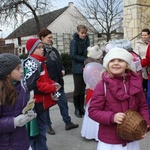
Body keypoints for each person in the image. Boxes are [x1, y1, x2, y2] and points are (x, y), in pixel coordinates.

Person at [89, 48, 149, 150]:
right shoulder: (102, 86)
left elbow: (142, 106)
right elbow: (93, 111)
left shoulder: (136, 83)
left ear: (127, 65)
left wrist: (145, 125)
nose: (116, 63)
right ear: (107, 65)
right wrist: (112, 117)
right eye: (112, 60)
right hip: (111, 141)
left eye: (120, 60)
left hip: (131, 138)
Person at [38, 28, 79, 135]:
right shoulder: (40, 51)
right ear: (42, 38)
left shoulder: (54, 50)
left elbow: (59, 62)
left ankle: (68, 122)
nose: (51, 39)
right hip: (47, 85)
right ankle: (48, 126)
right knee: (46, 107)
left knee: (63, 103)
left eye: (51, 37)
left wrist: (63, 68)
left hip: (58, 83)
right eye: (49, 37)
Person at [23, 38, 60, 150]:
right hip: (37, 104)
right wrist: (51, 88)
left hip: (42, 104)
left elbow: (45, 79)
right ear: (32, 49)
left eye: (41, 46)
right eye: (38, 47)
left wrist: (53, 83)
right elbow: (33, 84)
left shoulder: (40, 62)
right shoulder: (31, 63)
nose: (42, 49)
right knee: (39, 133)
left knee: (40, 132)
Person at [0, 53, 36, 150]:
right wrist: (14, 122)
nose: (21, 71)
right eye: (17, 68)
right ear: (7, 73)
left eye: (21, 67)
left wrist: (28, 114)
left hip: (22, 141)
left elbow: (20, 110)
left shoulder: (21, 87)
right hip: (6, 145)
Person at [70, 25, 90, 118]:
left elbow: (88, 52)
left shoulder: (87, 41)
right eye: (82, 33)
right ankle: (77, 108)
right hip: (77, 68)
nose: (84, 35)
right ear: (78, 32)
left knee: (83, 89)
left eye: (85, 33)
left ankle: (82, 107)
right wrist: (85, 59)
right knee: (77, 89)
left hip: (85, 68)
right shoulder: (74, 41)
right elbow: (73, 55)